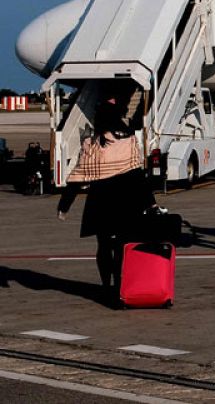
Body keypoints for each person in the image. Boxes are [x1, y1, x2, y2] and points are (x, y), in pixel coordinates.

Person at [56, 95, 155, 301]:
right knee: (121, 245)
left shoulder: (91, 144)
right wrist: (150, 201)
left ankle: (105, 285)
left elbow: (78, 175)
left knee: (103, 247)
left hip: (99, 202)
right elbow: (138, 175)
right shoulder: (128, 141)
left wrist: (64, 205)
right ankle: (120, 286)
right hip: (125, 202)